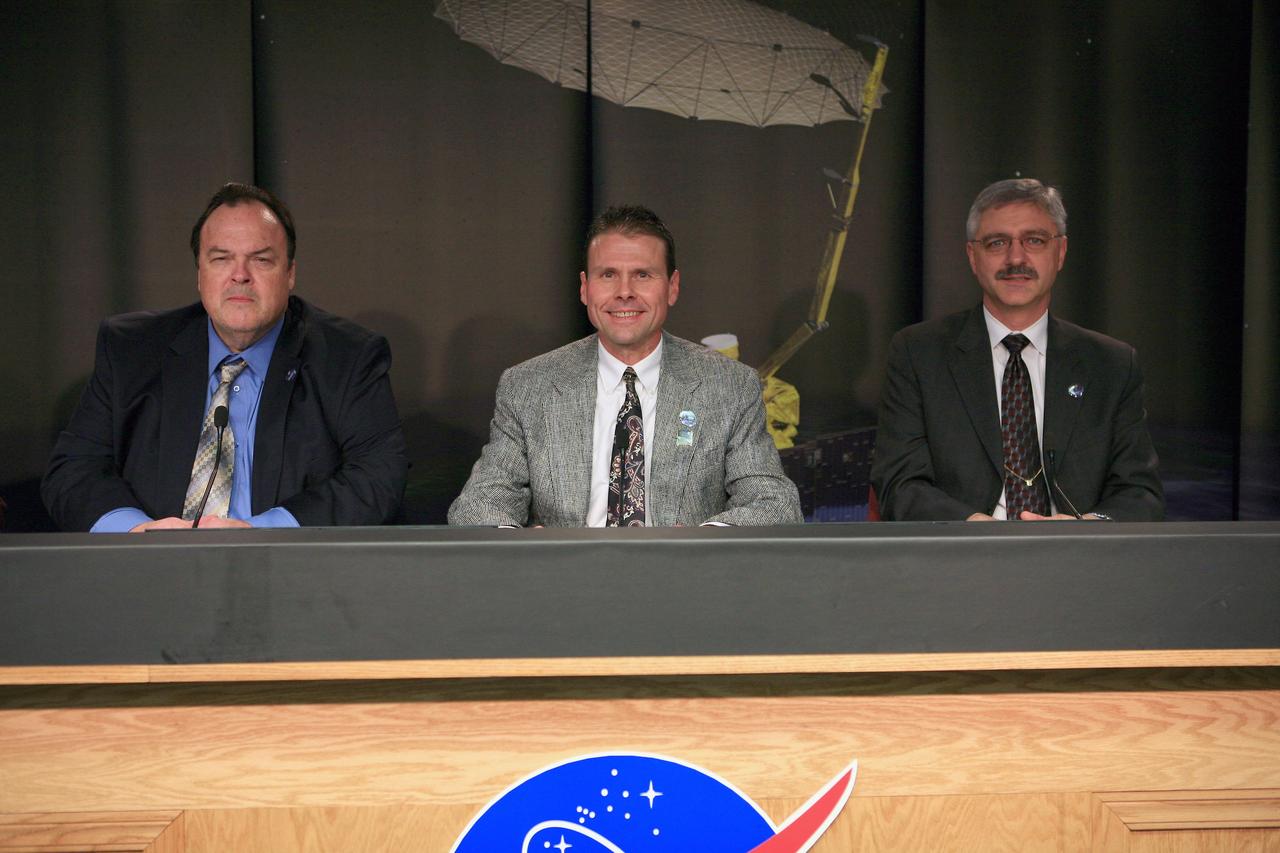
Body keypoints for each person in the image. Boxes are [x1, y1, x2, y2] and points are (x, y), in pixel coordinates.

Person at [42, 183, 408, 531]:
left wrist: (264, 532)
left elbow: (379, 475)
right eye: (221, 259)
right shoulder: (132, 350)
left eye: (261, 260)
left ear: (290, 274)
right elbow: (74, 469)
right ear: (200, 273)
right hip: (147, 572)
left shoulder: (347, 357)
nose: (240, 276)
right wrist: (137, 532)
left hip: (286, 573)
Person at [448, 205, 802, 527]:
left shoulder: (729, 386)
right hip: (565, 584)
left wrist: (702, 540)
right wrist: (526, 547)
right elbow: (478, 504)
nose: (624, 292)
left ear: (672, 287)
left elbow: (774, 503)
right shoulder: (528, 386)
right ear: (585, 289)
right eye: (608, 275)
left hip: (684, 583)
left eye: (643, 275)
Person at [871, 178, 1164, 521]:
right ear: (973, 257)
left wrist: (1088, 530)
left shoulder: (1112, 364)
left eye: (1034, 240)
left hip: (1077, 560)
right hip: (962, 560)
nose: (1016, 258)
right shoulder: (918, 353)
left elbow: (1140, 492)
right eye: (997, 243)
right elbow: (899, 484)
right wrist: (974, 530)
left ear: (1061, 252)